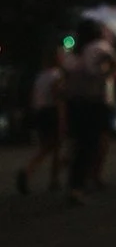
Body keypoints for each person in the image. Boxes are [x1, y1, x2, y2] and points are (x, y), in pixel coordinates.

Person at [63, 20, 116, 203]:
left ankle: (77, 183)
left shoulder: (74, 52)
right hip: (95, 101)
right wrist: (106, 74)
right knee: (93, 142)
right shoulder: (100, 47)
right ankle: (85, 182)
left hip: (75, 102)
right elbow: (115, 62)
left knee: (80, 144)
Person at [16, 43, 66, 195]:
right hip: (52, 112)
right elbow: (58, 97)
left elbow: (33, 97)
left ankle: (36, 173)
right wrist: (62, 117)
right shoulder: (57, 75)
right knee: (54, 147)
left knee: (48, 146)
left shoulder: (40, 76)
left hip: (40, 112)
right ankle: (35, 173)